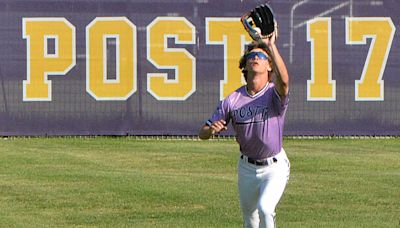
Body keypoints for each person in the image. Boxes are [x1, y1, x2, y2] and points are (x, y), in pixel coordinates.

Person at [198, 32, 290, 228]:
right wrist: (211, 130)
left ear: (269, 66)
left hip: (274, 166)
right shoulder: (233, 100)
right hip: (247, 168)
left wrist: (270, 46)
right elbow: (202, 132)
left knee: (265, 208)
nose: (256, 58)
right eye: (251, 57)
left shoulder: (274, 94)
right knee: (250, 220)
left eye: (262, 57)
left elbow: (285, 82)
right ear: (245, 65)